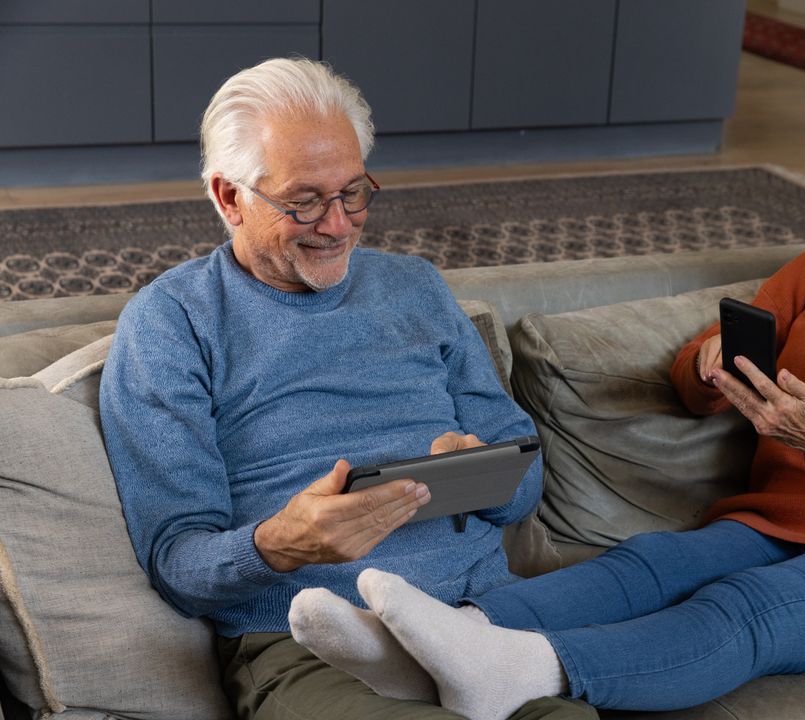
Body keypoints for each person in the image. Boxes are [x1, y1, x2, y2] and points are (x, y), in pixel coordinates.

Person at [290, 96, 805, 719]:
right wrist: (709, 359)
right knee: (655, 562)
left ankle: (523, 668)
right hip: (785, 517)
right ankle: (429, 642)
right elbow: (692, 383)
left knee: (748, 607)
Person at [99, 57, 595, 720]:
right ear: (229, 198)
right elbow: (177, 562)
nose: (337, 225)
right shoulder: (172, 322)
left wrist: (485, 473)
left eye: (353, 192)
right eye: (303, 202)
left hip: (477, 622)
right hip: (306, 638)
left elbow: (524, 475)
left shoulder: (415, 287)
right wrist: (279, 543)